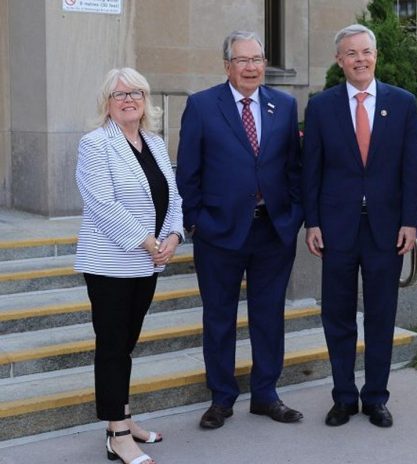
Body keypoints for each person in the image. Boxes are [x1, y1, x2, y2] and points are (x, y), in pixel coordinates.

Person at [176, 31, 303, 429]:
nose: (251, 67)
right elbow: (188, 172)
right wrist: (196, 221)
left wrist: (293, 215)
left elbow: (294, 168)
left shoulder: (283, 105)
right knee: (219, 318)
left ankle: (266, 394)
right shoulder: (201, 106)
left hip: (272, 231)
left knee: (269, 316)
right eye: (243, 60)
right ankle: (222, 398)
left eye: (258, 59)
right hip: (219, 233)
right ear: (227, 65)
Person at [302, 24, 417, 428]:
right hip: (336, 229)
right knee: (337, 315)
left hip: (387, 230)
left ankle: (375, 398)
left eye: (366, 51)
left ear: (376, 55)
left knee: (381, 315)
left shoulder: (403, 104)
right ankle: (342, 397)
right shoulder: (321, 106)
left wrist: (410, 222)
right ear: (339, 60)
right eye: (351, 53)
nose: (360, 59)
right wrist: (312, 222)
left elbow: (412, 169)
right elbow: (311, 169)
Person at [75, 67, 184, 464]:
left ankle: (122, 417)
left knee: (126, 345)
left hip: (147, 264)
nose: (128, 99)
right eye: (119, 94)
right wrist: (149, 241)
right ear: (107, 102)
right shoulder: (95, 144)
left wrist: (173, 237)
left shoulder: (154, 142)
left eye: (135, 93)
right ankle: (118, 436)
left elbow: (173, 196)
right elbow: (102, 204)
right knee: (112, 348)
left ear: (145, 100)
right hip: (110, 264)